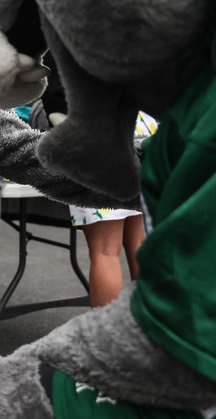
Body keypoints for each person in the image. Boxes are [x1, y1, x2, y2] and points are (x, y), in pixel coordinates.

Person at [66, 112, 158, 307]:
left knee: (105, 251)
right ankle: (148, 330)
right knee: (140, 245)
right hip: (142, 125)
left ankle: (107, 336)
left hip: (97, 128)